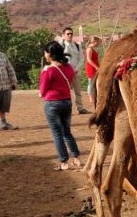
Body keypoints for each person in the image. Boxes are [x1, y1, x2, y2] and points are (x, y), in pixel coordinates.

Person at [40, 40, 82, 171]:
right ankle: (76, 158)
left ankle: (64, 162)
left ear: (49, 54)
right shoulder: (69, 67)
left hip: (52, 103)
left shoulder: (49, 70)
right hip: (67, 102)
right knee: (67, 132)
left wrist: (44, 72)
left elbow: (42, 90)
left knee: (57, 134)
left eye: (45, 52)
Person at [60, 27, 89, 114]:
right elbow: (59, 60)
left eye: (71, 34)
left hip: (76, 72)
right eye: (68, 34)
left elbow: (81, 59)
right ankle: (66, 109)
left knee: (78, 91)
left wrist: (76, 69)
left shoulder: (77, 46)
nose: (70, 35)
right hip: (65, 73)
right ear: (63, 35)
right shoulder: (61, 47)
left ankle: (80, 108)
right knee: (65, 92)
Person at [0, 39, 18, 130]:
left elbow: (10, 69)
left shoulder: (2, 56)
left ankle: (4, 124)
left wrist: (14, 82)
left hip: (5, 86)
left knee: (3, 107)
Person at [85, 35, 101, 109]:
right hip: (91, 67)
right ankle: (90, 97)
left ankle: (94, 96)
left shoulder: (93, 49)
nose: (98, 43)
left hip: (95, 67)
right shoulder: (89, 49)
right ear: (94, 41)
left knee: (95, 82)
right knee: (91, 82)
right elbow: (89, 59)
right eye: (97, 41)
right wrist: (96, 67)